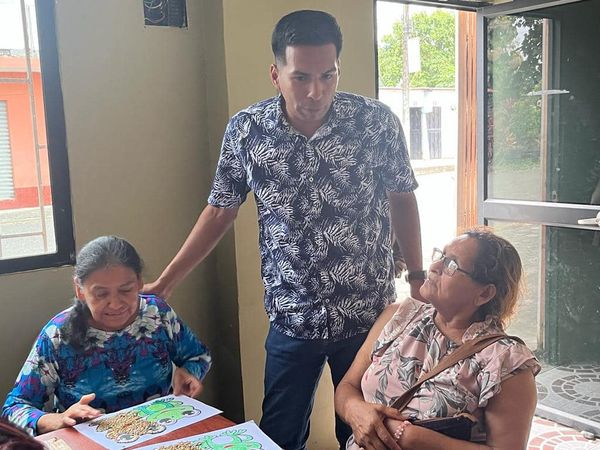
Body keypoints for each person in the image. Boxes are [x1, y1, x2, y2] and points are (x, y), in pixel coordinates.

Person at [143, 10, 424, 450]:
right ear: (276, 74)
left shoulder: (374, 122)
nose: (316, 91)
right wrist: (165, 282)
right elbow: (219, 211)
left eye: (327, 76)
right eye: (301, 77)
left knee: (368, 435)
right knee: (279, 434)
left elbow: (402, 196)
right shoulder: (247, 130)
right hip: (292, 315)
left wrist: (419, 275)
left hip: (366, 314)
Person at [335, 228, 541, 450]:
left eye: (451, 265)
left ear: (484, 294)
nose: (434, 267)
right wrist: (355, 410)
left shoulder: (505, 362)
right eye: (441, 256)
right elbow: (347, 386)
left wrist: (411, 437)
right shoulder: (398, 317)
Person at [2, 236, 211, 436]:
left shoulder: (158, 315)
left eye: (126, 290)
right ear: (80, 290)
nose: (115, 304)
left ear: (139, 282)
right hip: (86, 441)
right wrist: (58, 420)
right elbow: (14, 409)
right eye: (101, 294)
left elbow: (199, 356)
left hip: (160, 431)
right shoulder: (57, 335)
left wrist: (188, 372)